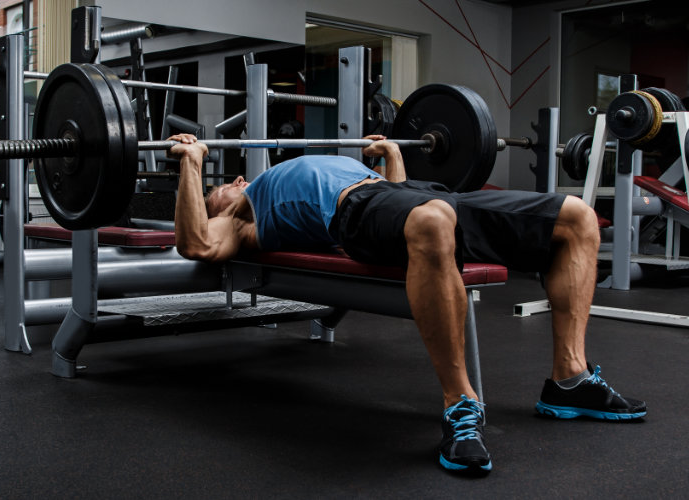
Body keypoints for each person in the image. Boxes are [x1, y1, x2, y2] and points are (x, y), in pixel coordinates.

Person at [168, 133, 646, 476]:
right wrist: (191, 163)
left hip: (410, 195)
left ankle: (570, 378)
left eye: (218, 187)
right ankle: (461, 404)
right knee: (433, 223)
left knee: (577, 218)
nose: (219, 193)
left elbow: (396, 207)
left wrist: (392, 156)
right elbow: (196, 244)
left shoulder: (258, 181)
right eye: (211, 196)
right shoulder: (240, 220)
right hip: (352, 212)